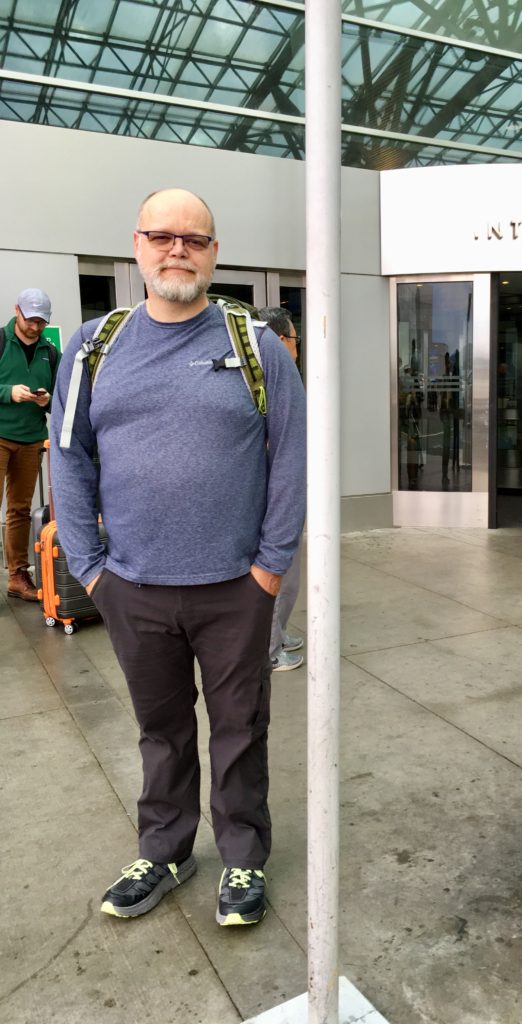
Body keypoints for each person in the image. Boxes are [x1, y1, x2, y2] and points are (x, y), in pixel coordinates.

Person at [50, 188, 306, 926]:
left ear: (214, 253)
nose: (177, 250)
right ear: (137, 246)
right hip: (131, 584)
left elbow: (292, 453)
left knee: (239, 729)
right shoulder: (96, 346)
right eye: (162, 237)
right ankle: (165, 849)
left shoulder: (253, 344)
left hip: (236, 586)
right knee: (159, 728)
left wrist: (271, 564)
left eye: (193, 240)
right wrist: (90, 565)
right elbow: (67, 455)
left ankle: (243, 861)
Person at [1, 288, 57, 601]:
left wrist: (47, 401)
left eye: (41, 322)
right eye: (31, 319)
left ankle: (18, 577)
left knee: (20, 510)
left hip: (31, 438)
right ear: (17, 311)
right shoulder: (0, 341)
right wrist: (8, 392)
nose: (35, 327)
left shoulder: (50, 352)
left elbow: (62, 396)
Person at [257, 304, 305, 672]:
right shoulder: (265, 376)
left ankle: (279, 633)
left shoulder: (281, 374)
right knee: (278, 568)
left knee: (289, 573)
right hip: (271, 495)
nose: (296, 347)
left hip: (282, 491)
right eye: (292, 339)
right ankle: (269, 650)